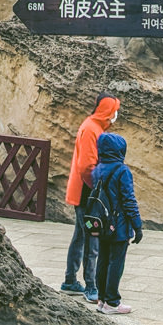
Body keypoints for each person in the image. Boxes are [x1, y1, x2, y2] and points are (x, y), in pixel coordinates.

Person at [61, 92, 120, 302]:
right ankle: (91, 286)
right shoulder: (91, 129)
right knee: (91, 240)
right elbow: (87, 166)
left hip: (83, 191)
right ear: (107, 111)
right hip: (87, 194)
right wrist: (98, 187)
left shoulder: (92, 126)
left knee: (80, 237)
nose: (116, 116)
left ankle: (70, 281)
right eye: (114, 111)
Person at [90, 131, 142, 315]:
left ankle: (102, 299)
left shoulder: (97, 169)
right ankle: (112, 302)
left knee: (102, 260)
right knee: (116, 262)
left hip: (100, 224)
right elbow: (128, 200)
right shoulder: (122, 171)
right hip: (119, 225)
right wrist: (137, 225)